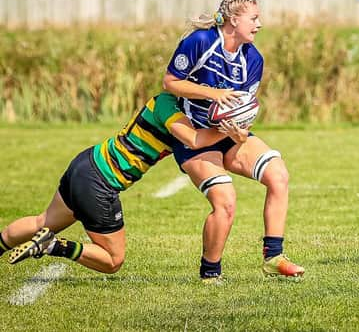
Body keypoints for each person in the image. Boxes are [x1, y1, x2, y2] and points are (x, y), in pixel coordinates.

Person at [0, 92, 247, 273]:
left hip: (86, 163)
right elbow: (194, 140)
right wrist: (230, 132)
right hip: (101, 182)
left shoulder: (165, 102)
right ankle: (53, 246)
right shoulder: (167, 106)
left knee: (42, 221)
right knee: (113, 261)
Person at [162, 0, 304, 281]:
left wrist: (240, 133)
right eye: (254, 18)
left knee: (278, 174)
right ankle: (210, 273)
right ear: (233, 20)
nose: (259, 24)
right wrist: (213, 94)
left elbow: (243, 108)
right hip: (194, 133)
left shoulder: (253, 59)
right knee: (225, 201)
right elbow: (170, 83)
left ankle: (273, 257)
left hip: (228, 133)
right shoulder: (201, 42)